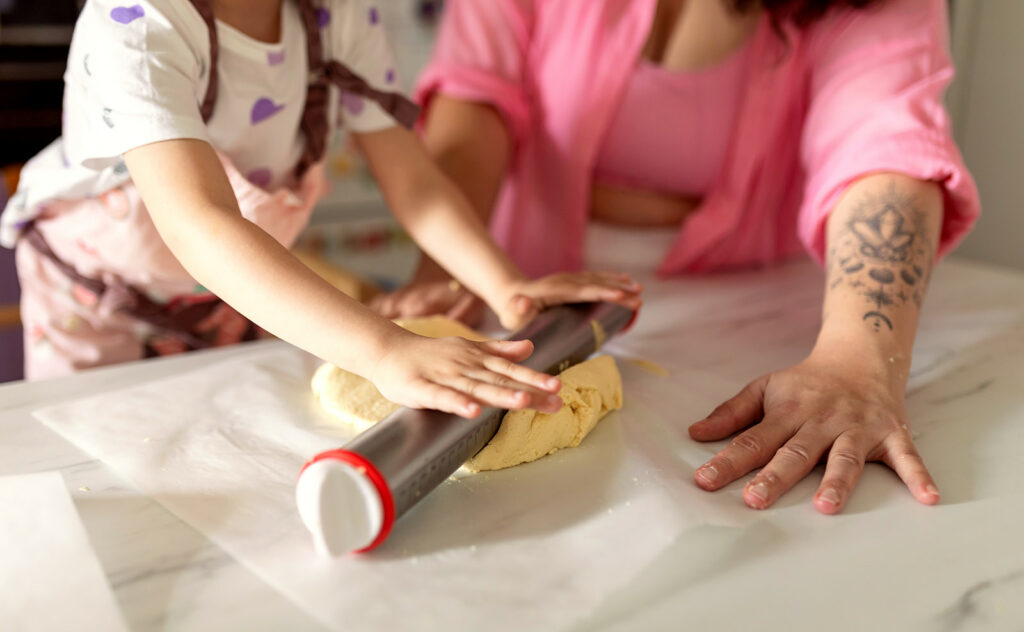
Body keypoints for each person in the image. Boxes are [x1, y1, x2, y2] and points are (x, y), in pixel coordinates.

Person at [376, 0, 981, 512]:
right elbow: (476, 98)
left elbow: (882, 143)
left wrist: (859, 360)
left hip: (758, 313)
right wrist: (446, 273)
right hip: (525, 289)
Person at [0, 0, 642, 419]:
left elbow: (413, 182)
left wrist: (506, 287)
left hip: (228, 287)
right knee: (90, 455)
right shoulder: (135, 27)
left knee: (222, 437)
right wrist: (384, 349)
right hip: (91, 293)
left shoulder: (338, 16)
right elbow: (200, 223)